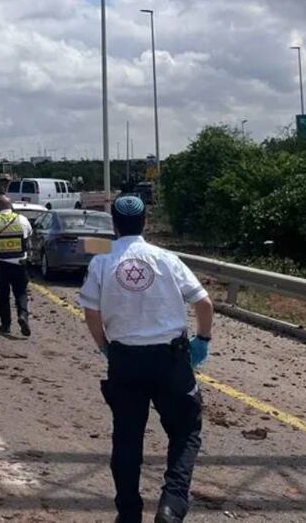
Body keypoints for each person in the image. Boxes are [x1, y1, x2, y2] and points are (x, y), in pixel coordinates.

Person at [78, 195, 214, 523]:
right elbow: (204, 304)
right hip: (170, 360)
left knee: (127, 438)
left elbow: (91, 311)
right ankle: (172, 502)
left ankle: (128, 513)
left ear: (113, 225)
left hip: (125, 360)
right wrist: (202, 341)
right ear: (146, 223)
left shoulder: (102, 259)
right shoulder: (165, 257)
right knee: (185, 432)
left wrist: (105, 347)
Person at [0, 196, 33, 336]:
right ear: (11, 207)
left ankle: (6, 324)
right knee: (21, 292)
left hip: (2, 263)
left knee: (3, 294)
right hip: (20, 263)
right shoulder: (22, 219)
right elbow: (29, 235)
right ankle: (23, 315)